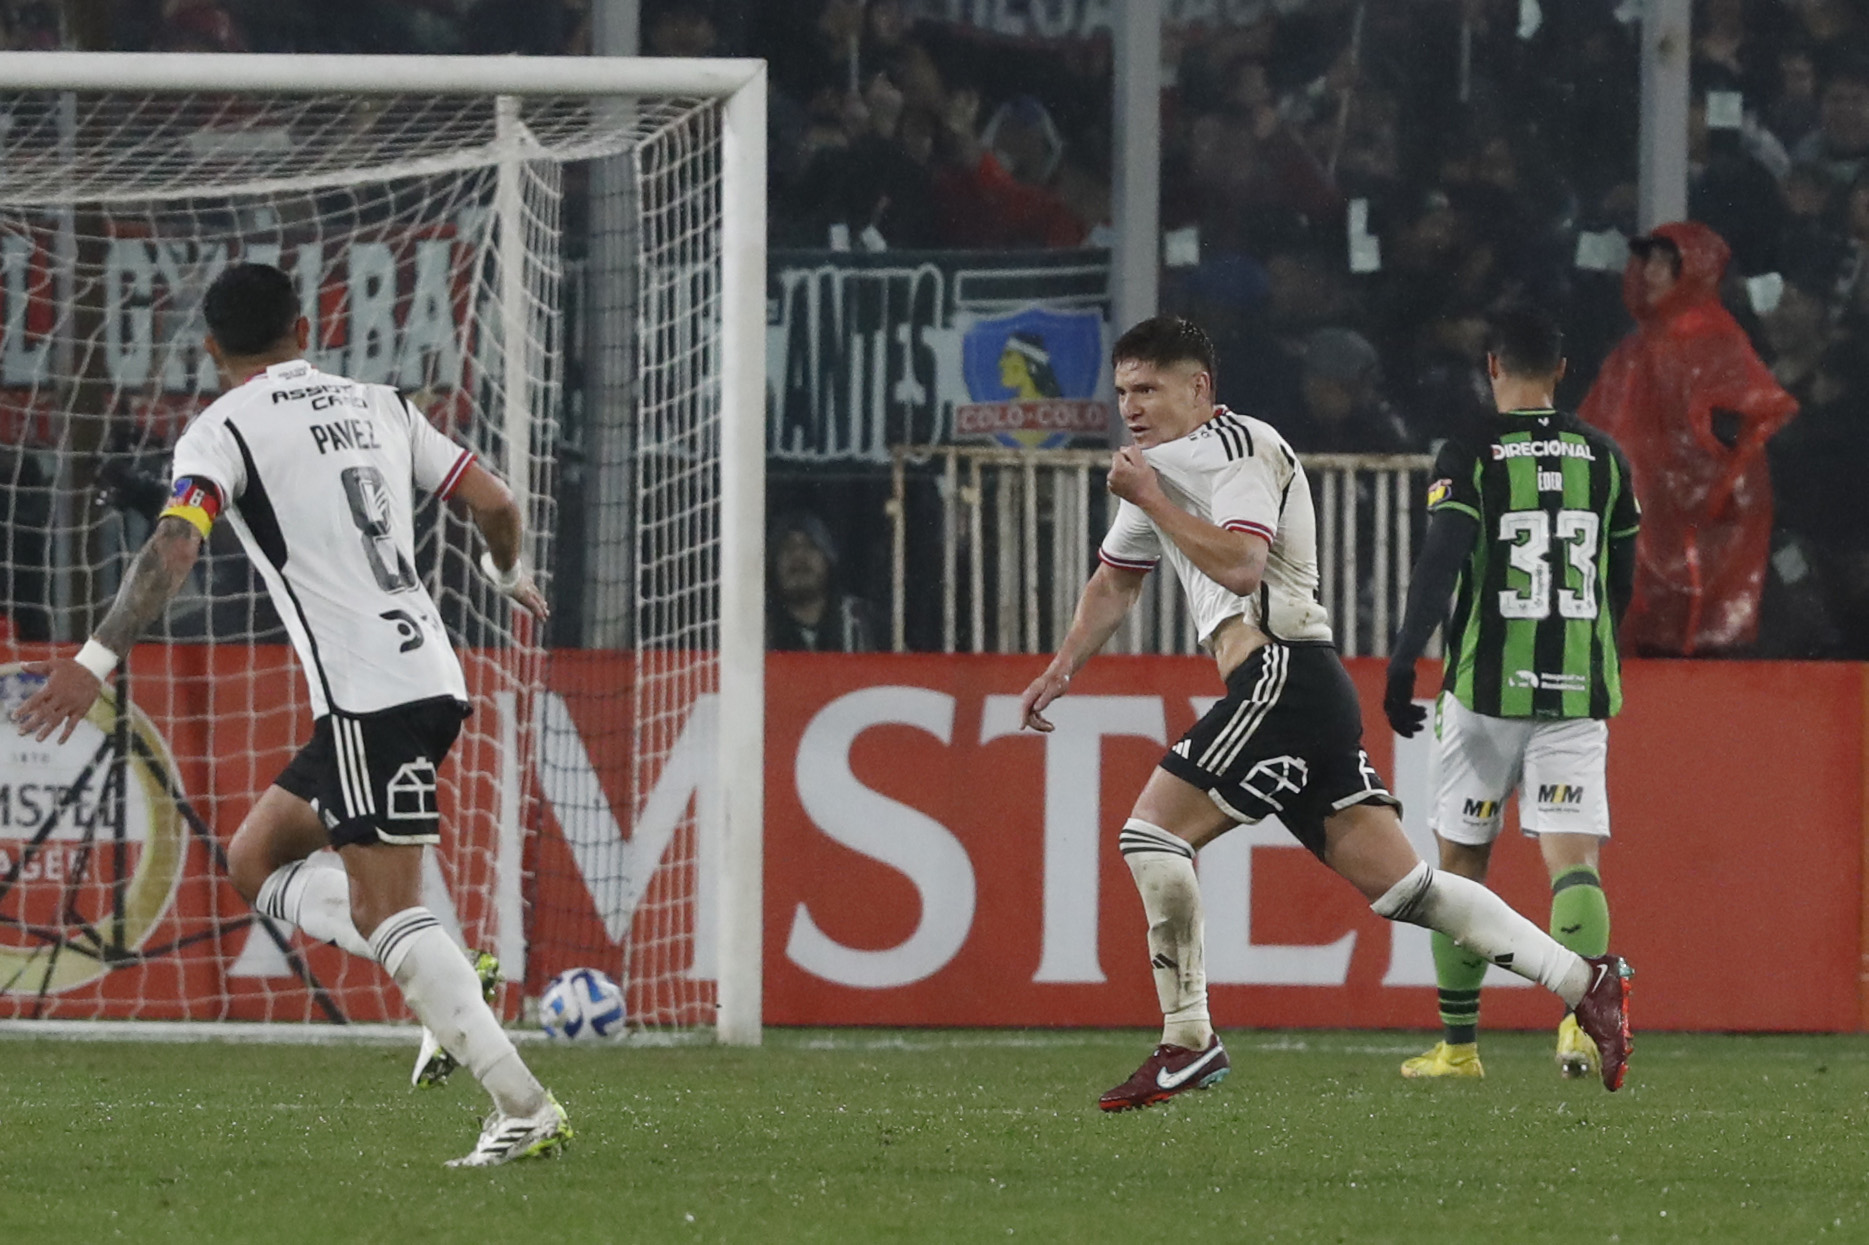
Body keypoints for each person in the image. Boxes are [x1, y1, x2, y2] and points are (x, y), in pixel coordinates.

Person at [11, 263, 570, 1169]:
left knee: (389, 914)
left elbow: (173, 544)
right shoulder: (381, 402)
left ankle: (523, 1105)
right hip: (423, 671)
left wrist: (92, 661)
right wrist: (509, 576)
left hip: (369, 693)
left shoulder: (222, 428)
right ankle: (452, 986)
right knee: (254, 856)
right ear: (302, 325)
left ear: (210, 348)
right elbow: (496, 502)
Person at [1019, 316, 1634, 1111]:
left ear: (1197, 388)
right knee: (1409, 887)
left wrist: (1148, 497)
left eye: (1148, 388)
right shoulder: (1159, 470)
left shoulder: (1239, 447)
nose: (1130, 406)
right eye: (1123, 391)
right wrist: (1063, 664)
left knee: (1151, 833)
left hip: (1280, 671)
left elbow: (1241, 566)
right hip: (1301, 687)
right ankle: (1587, 980)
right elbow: (1117, 581)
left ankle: (1187, 1038)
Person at [1383, 305, 1641, 1082]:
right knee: (1573, 862)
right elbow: (1621, 581)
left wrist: (1402, 661)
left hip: (1485, 691)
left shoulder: (1471, 452)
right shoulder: (1605, 457)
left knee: (1459, 867)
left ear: (1491, 364)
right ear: (1563, 371)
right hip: (1574, 690)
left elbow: (1441, 560)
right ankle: (1578, 1025)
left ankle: (1459, 1048)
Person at [1578, 222, 1796, 656]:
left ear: (1693, 269)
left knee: (1697, 655)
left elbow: (1737, 436)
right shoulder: (1635, 350)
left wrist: (1690, 494)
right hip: (1646, 532)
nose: (1651, 272)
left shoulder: (1714, 341)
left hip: (1700, 542)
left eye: (1666, 261)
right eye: (1649, 260)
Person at [768, 509, 877, 652]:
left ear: (829, 559)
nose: (798, 555)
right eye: (787, 548)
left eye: (810, 545)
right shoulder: (756, 628)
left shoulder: (865, 623)